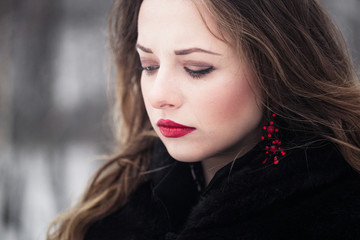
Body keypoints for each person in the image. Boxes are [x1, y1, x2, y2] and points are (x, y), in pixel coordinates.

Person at [47, 0, 360, 239]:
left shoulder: (341, 206)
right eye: (149, 65)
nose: (159, 95)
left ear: (276, 69)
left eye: (197, 68)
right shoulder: (116, 203)